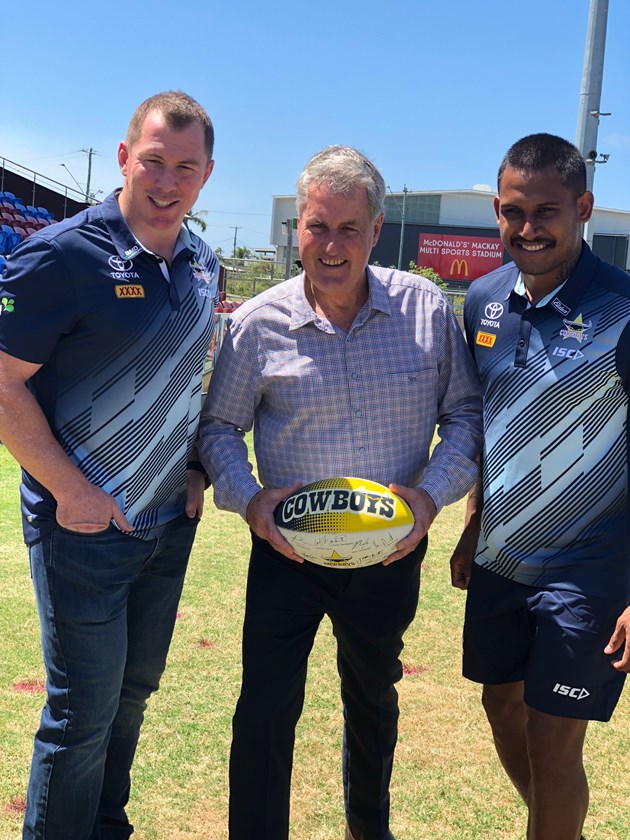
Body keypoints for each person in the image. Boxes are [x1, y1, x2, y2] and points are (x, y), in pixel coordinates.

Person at [198, 145, 483, 840]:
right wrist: (253, 501)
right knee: (264, 709)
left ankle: (368, 828)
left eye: (347, 229)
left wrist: (428, 500)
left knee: (374, 700)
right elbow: (220, 429)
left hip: (389, 554)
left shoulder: (423, 309)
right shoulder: (258, 323)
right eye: (316, 226)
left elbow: (466, 418)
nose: (330, 245)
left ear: (375, 229)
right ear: (298, 227)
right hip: (287, 553)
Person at [0, 90, 218, 839]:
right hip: (83, 531)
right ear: (125, 158)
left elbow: (189, 374)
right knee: (81, 717)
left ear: (206, 176)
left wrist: (194, 469)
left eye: (185, 168)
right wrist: (71, 491)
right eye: (154, 161)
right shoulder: (61, 256)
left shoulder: (203, 262)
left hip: (166, 528)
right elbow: (1, 380)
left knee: (132, 697)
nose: (167, 181)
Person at [450, 133, 630, 840]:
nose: (529, 229)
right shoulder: (484, 301)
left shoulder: (622, 306)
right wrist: (473, 521)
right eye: (514, 212)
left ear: (582, 208)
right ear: (497, 209)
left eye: (547, 211)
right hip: (501, 556)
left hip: (591, 565)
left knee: (556, 740)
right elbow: (494, 424)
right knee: (501, 705)